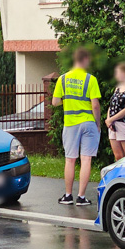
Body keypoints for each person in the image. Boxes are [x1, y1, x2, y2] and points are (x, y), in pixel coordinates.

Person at [52, 48, 101, 206]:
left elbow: (54, 102)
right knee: (86, 160)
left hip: (71, 123)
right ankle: (81, 197)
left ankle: (68, 196)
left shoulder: (62, 79)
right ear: (85, 60)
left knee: (70, 160)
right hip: (88, 122)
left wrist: (65, 101)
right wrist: (98, 124)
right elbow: (95, 105)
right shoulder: (90, 79)